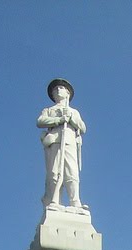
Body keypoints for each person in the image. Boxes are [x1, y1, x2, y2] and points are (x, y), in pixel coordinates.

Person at [37, 78, 86, 210]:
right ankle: (54, 201)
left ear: (67, 93)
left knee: (71, 172)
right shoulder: (49, 110)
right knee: (54, 172)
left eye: (61, 88)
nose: (58, 90)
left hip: (69, 142)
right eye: (55, 89)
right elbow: (40, 121)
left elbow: (83, 127)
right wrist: (59, 119)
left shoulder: (74, 111)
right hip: (55, 142)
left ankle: (75, 201)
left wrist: (71, 118)